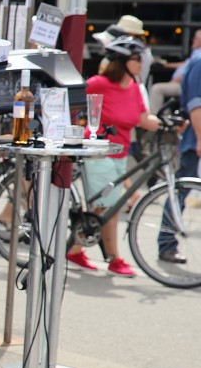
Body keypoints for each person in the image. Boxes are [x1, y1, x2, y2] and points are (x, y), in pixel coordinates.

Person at [66, 36, 160, 276]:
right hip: (99, 152)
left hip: (121, 153)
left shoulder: (135, 89)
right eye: (136, 58)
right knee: (105, 206)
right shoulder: (99, 83)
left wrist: (167, 123)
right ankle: (109, 256)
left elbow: (142, 119)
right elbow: (72, 100)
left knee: (110, 208)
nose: (141, 63)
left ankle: (84, 250)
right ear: (122, 61)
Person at [157, 45, 201, 264]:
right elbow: (196, 105)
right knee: (180, 193)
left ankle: (166, 243)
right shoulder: (200, 62)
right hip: (195, 142)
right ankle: (166, 243)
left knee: (180, 192)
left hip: (195, 140)